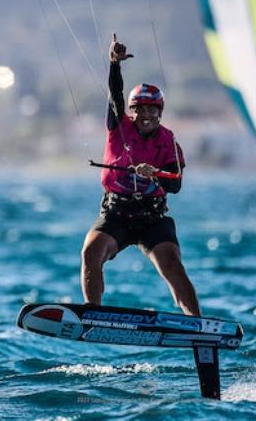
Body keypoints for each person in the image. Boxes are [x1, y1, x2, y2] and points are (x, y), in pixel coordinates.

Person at [80, 33, 201, 316]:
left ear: (159, 112)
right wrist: (114, 64)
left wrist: (154, 174)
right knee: (91, 253)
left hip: (152, 218)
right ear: (131, 112)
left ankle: (197, 323)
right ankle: (92, 312)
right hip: (116, 214)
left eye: (151, 109)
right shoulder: (118, 126)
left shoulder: (169, 142)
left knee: (172, 265)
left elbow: (176, 185)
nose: (145, 114)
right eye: (138, 109)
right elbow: (115, 95)